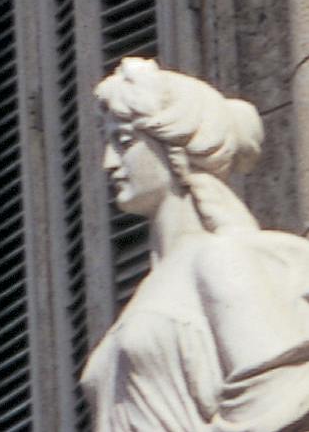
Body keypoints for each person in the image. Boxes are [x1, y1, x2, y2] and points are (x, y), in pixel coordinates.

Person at [80, 57, 309, 430]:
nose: (108, 162)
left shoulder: (222, 257)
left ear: (173, 147)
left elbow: (277, 400)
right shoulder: (155, 285)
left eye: (123, 142)